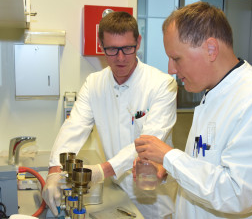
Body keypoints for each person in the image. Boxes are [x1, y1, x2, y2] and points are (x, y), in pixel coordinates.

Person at [135, 1, 252, 219]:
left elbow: (238, 195)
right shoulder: (214, 93)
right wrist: (168, 170)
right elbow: (207, 168)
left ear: (211, 49)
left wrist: (169, 157)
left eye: (176, 58)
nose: (171, 69)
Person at [42, 11, 177, 219]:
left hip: (155, 200)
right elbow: (74, 126)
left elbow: (148, 144)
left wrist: (100, 171)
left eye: (127, 48)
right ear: (101, 46)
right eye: (112, 49)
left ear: (138, 42)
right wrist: (54, 171)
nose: (120, 57)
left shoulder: (162, 85)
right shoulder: (94, 84)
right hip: (117, 194)